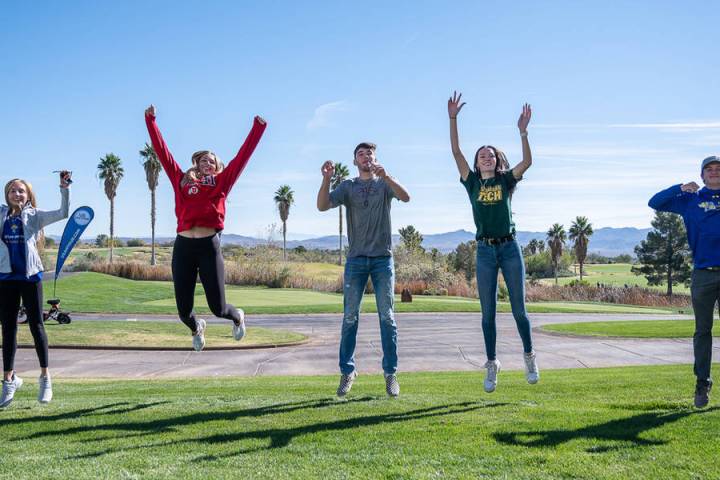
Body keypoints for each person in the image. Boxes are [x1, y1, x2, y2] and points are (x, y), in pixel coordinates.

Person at [145, 105, 266, 351]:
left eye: (211, 161)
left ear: (217, 166)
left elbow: (243, 156)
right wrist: (151, 121)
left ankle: (237, 316)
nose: (206, 163)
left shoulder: (222, 181)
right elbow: (162, 151)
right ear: (196, 164)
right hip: (183, 247)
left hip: (208, 246)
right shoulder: (181, 179)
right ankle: (196, 328)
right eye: (202, 160)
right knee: (183, 311)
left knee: (218, 308)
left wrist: (258, 128)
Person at [447, 91, 539, 393]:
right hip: (485, 250)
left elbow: (527, 161)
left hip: (510, 248)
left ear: (497, 160)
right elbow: (456, 152)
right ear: (476, 162)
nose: (486, 157)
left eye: (490, 155)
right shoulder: (471, 182)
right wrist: (453, 118)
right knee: (487, 314)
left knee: (519, 311)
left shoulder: (505, 180)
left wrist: (523, 131)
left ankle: (529, 356)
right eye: (481, 155)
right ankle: (492, 364)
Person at [317, 143, 410, 398]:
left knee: (387, 318)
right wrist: (326, 179)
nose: (366, 156)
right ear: (355, 160)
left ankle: (390, 374)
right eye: (361, 154)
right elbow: (323, 206)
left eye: (369, 153)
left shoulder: (383, 184)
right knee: (349, 317)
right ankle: (348, 372)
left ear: (375, 158)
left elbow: (406, 197)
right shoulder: (347, 186)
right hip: (356, 260)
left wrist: (388, 176)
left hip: (383, 260)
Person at [648, 155, 720, 408]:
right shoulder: (690, 200)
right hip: (703, 273)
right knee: (703, 331)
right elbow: (654, 202)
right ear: (701, 176)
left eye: (718, 169)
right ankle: (703, 383)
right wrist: (680, 187)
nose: (714, 172)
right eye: (708, 169)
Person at [0, 171, 71, 408]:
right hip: (6, 278)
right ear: (7, 195)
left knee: (36, 326)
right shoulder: (1, 214)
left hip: (31, 278)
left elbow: (63, 213)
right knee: (8, 329)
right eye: (12, 190)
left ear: (28, 195)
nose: (16, 193)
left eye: (21, 190)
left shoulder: (35, 216)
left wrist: (64, 187)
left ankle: (45, 377)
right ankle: (9, 379)